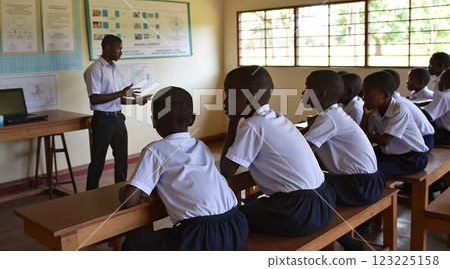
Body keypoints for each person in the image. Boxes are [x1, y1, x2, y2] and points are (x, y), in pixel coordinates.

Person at [120, 86, 248, 251]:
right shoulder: (201, 146)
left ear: (154, 121)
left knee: (132, 243)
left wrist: (123, 190)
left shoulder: (155, 150)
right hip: (236, 226)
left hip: (200, 235)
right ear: (192, 119)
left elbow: (130, 201)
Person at [220, 66, 336, 237]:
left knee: (230, 220)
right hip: (324, 200)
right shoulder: (277, 117)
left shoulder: (253, 125)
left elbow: (227, 169)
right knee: (250, 209)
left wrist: (232, 122)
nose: (224, 101)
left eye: (229, 94)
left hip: (297, 211)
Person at [302, 70, 383, 251]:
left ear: (321, 94)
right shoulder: (332, 114)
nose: (302, 92)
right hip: (366, 182)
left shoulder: (329, 118)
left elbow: (304, 151)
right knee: (309, 196)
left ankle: (350, 245)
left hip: (359, 186)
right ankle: (350, 244)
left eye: (307, 87)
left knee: (307, 202)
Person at [83, 35, 150, 190]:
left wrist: (136, 101)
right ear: (108, 48)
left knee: (121, 159)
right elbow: (95, 99)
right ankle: (90, 192)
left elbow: (115, 99)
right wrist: (121, 93)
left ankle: (119, 189)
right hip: (102, 121)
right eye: (119, 48)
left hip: (118, 119)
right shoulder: (95, 69)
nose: (121, 52)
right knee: (98, 160)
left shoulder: (114, 69)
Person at [360, 71, 428, 183]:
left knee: (374, 174)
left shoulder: (399, 110)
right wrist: (365, 115)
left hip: (412, 158)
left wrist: (365, 134)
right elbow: (364, 137)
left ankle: (376, 198)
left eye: (368, 95)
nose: (363, 99)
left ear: (386, 95)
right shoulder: (374, 109)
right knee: (360, 161)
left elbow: (385, 140)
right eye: (363, 94)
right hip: (390, 154)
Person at [383, 69, 435, 151]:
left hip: (424, 140)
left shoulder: (396, 104)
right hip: (425, 137)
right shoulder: (399, 100)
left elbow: (385, 140)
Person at [423, 69, 450, 145]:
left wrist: (415, 110)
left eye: (440, 80)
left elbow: (428, 115)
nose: (438, 82)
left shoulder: (445, 95)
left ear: (446, 82)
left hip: (446, 135)